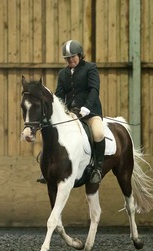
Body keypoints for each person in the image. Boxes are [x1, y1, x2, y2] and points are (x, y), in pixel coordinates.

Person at [55, 40, 105, 184]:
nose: (70, 60)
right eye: (67, 58)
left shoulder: (90, 68)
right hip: (72, 115)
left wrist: (87, 107)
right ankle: (49, 167)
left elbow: (94, 89)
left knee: (98, 133)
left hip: (90, 113)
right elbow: (59, 96)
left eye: (73, 57)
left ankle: (98, 168)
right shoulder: (62, 73)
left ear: (80, 55)